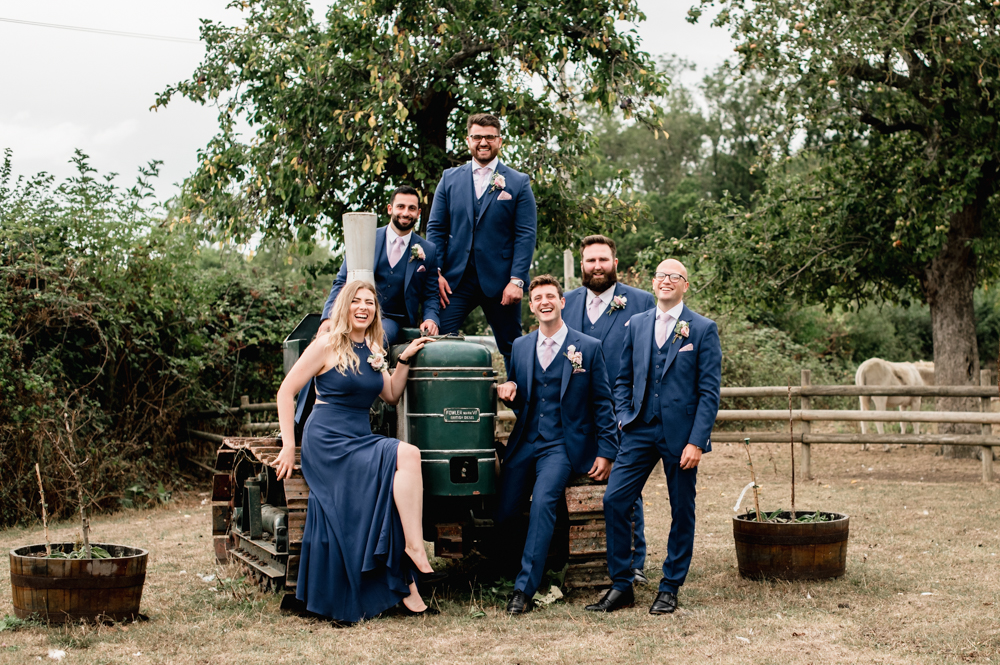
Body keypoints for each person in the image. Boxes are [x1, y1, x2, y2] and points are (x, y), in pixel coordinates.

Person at [274, 281, 443, 622]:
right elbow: (285, 391)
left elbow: (392, 394)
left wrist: (404, 359)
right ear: (345, 306)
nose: (363, 307)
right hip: (327, 441)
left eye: (370, 302)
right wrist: (289, 446)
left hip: (359, 437)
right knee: (403, 459)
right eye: (357, 301)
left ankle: (411, 555)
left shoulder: (374, 349)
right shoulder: (326, 345)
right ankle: (411, 557)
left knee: (405, 462)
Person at [586, 259, 721, 615]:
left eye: (675, 276)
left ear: (685, 285)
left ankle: (670, 586)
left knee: (682, 510)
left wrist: (696, 441)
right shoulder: (637, 324)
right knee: (615, 500)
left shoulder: (703, 329)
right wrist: (622, 416)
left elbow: (709, 392)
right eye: (661, 275)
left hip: (682, 436)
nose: (666, 281)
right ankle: (621, 585)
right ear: (654, 282)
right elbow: (621, 378)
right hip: (639, 429)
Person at [495, 275, 618, 614]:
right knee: (504, 512)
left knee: (543, 502)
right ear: (531, 305)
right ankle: (530, 566)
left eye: (551, 296)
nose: (544, 301)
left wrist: (607, 451)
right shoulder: (520, 347)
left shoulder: (587, 347)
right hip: (526, 441)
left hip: (563, 445)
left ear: (562, 303)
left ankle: (524, 589)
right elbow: (525, 401)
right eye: (537, 298)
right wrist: (509, 395)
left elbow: (602, 403)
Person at [563, 235, 655, 585]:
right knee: (578, 480)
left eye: (603, 260)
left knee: (628, 483)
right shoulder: (565, 302)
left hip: (623, 409)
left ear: (615, 262)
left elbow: (650, 356)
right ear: (582, 265)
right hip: (575, 410)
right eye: (590, 261)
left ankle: (635, 562)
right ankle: (581, 554)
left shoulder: (640, 301)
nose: (597, 266)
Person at [426, 112, 537, 372]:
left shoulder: (518, 182)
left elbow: (525, 234)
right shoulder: (449, 179)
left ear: (500, 141)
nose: (483, 142)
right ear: (468, 140)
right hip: (455, 281)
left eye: (489, 137)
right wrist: (437, 271)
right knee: (436, 339)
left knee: (513, 347)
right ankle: (444, 406)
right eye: (477, 137)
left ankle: (521, 409)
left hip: (501, 283)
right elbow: (436, 228)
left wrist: (517, 280)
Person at [318, 185, 441, 342]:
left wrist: (431, 319)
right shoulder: (365, 238)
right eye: (400, 207)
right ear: (390, 209)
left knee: (377, 340)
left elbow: (430, 294)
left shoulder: (428, 250)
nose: (405, 213)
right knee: (327, 341)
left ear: (418, 213)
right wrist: (328, 317)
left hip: (392, 321)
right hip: (356, 314)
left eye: (411, 208)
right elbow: (342, 281)